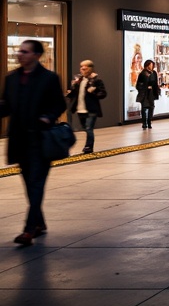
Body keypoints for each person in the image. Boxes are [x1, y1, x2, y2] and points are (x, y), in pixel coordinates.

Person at [0, 40, 67, 245]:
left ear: (37, 55)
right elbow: (6, 106)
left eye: (25, 52)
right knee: (29, 183)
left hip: (41, 139)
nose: (20, 54)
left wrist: (48, 117)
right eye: (20, 51)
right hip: (19, 140)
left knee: (37, 182)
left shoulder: (49, 78)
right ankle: (39, 222)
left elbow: (59, 104)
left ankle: (29, 230)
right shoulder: (11, 78)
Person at [67, 60, 107, 154]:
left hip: (91, 109)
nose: (82, 69)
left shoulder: (96, 81)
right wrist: (70, 92)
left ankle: (88, 147)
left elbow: (103, 93)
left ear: (90, 69)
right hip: (80, 109)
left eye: (85, 68)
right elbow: (74, 93)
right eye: (81, 67)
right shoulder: (78, 81)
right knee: (85, 128)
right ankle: (88, 145)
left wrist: (94, 91)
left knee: (89, 128)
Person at [135, 60, 160, 130]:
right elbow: (138, 84)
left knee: (151, 107)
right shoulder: (143, 73)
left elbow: (155, 83)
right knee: (144, 108)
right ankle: (144, 123)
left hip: (151, 93)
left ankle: (149, 122)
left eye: (152, 65)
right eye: (150, 65)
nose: (152, 66)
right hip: (145, 93)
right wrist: (144, 88)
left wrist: (157, 90)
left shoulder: (154, 73)